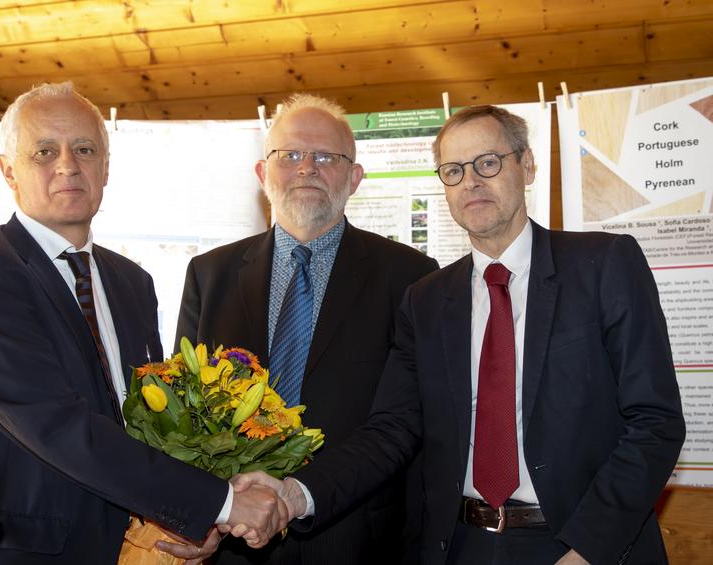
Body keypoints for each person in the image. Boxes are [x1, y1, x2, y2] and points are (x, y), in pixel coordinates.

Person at [237, 104, 686, 564]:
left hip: (581, 542)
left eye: (487, 163)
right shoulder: (427, 300)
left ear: (527, 166)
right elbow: (392, 430)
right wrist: (294, 495)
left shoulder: (602, 265)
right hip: (463, 546)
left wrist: (588, 549)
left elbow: (656, 421)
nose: (471, 181)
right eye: (453, 171)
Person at [0, 82, 285, 565]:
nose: (67, 165)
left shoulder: (131, 282)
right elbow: (57, 425)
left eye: (84, 149)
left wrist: (188, 520)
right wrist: (216, 504)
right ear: (8, 170)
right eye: (43, 151)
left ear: (106, 167)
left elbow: (150, 420)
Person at [175, 92, 438, 564]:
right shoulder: (208, 275)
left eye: (326, 157)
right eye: (290, 155)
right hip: (231, 538)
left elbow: (403, 422)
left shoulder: (409, 276)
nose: (306, 168)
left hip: (356, 538)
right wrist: (198, 512)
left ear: (354, 178)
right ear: (263, 174)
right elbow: (187, 413)